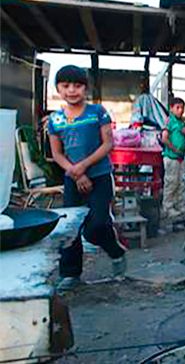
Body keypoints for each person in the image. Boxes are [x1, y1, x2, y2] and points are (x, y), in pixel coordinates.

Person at [48, 65, 127, 292]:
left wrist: (83, 167)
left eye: (78, 85)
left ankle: (115, 251)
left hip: (100, 176)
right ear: (58, 89)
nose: (72, 90)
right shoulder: (55, 120)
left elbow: (108, 144)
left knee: (96, 226)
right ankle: (71, 274)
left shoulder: (97, 113)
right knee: (70, 228)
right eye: (66, 86)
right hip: (72, 179)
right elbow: (57, 154)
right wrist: (76, 173)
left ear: (86, 88)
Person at [161, 97, 185, 221]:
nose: (180, 110)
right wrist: (174, 149)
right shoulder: (170, 121)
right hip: (172, 157)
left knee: (181, 183)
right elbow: (164, 138)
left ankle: (180, 205)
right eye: (177, 108)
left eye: (182, 108)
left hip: (180, 157)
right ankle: (168, 207)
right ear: (171, 108)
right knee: (171, 182)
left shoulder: (181, 122)